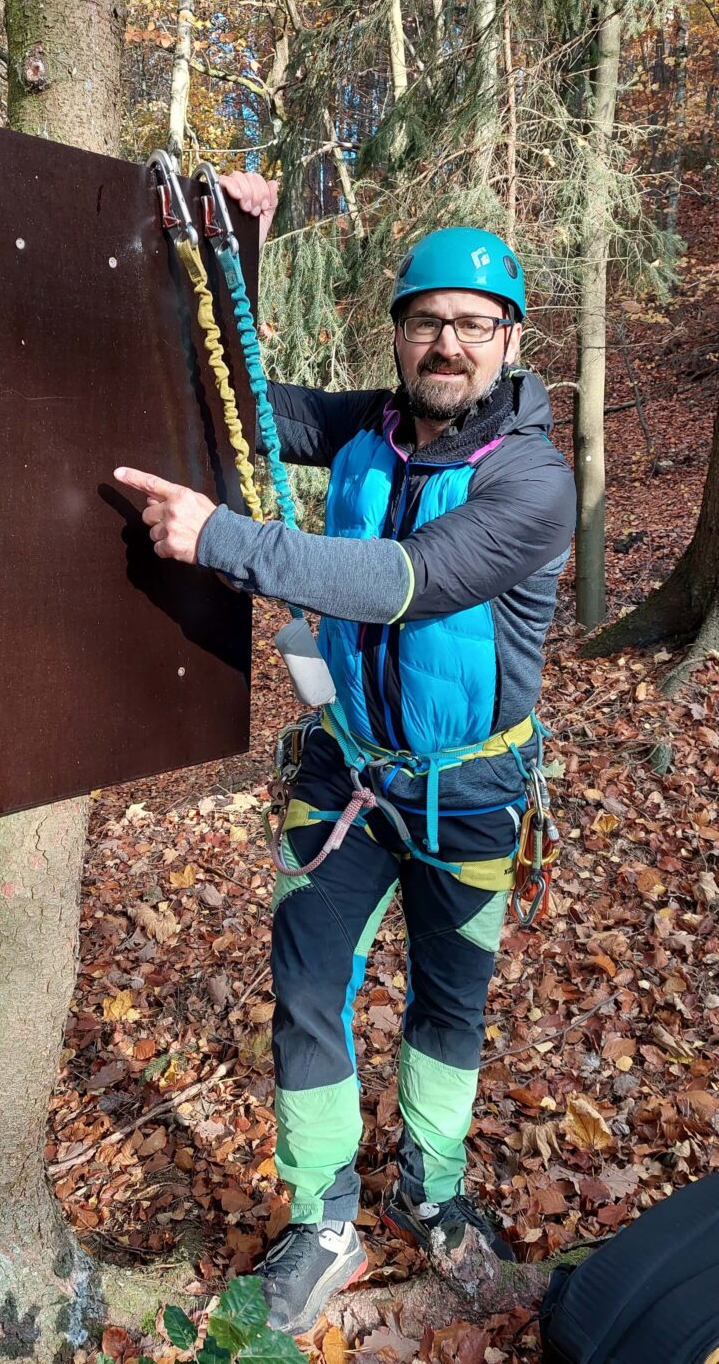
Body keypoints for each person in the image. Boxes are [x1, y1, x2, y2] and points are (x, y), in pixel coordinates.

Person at [114, 172, 576, 1335]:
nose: (447, 342)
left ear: (509, 341)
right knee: (309, 992)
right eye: (427, 319)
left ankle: (432, 1185)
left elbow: (403, 582)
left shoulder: (531, 481)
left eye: (474, 324)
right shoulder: (367, 427)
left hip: (470, 788)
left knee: (449, 1001)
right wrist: (243, 249)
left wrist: (221, 537)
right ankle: (323, 1217)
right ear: (402, 333)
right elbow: (241, 395)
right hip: (343, 779)